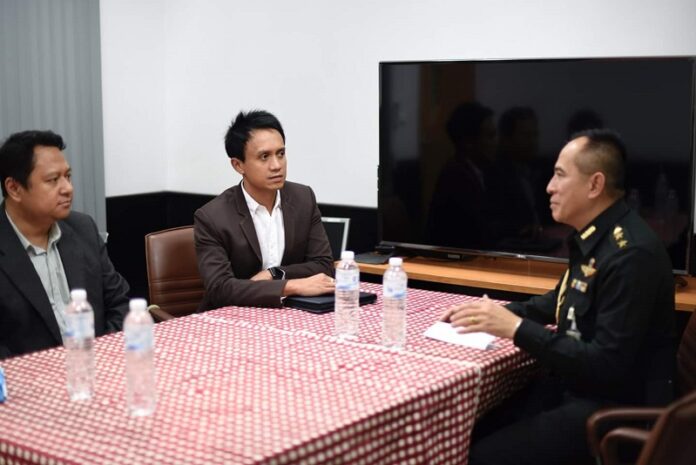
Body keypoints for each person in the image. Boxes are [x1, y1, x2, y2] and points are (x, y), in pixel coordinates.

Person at [442, 129, 676, 465]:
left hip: (614, 408)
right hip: (575, 388)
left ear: (594, 185)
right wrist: (489, 314)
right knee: (468, 428)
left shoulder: (629, 254)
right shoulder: (598, 236)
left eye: (560, 175)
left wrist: (516, 329)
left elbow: (606, 365)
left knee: (481, 456)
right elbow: (559, 302)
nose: (549, 186)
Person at [0, 130, 130, 359]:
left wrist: (97, 357)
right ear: (14, 188)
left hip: (95, 369)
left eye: (67, 177)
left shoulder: (83, 229)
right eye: (52, 180)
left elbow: (120, 303)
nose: (67, 188)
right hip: (28, 384)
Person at [194, 110, 335, 309]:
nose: (276, 165)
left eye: (281, 154)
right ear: (238, 165)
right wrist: (289, 286)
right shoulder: (212, 217)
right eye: (264, 157)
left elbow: (323, 265)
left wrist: (274, 274)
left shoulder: (303, 198)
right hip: (230, 321)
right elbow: (220, 289)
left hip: (290, 315)